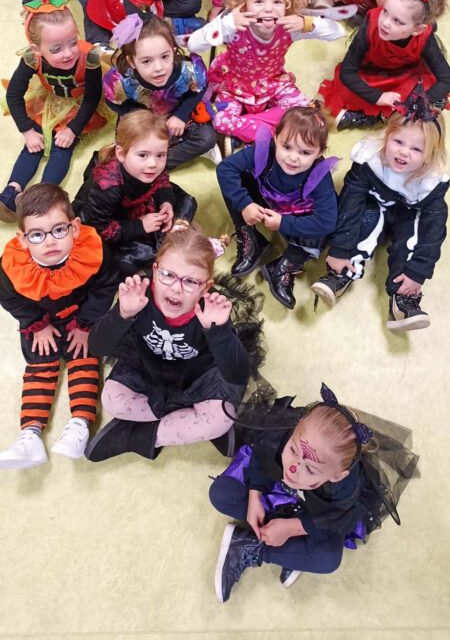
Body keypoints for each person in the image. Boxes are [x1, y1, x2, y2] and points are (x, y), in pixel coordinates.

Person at [211, 383, 418, 602]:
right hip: (276, 493)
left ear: (337, 475)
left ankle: (249, 547)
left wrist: (291, 528)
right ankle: (295, 553)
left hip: (314, 514)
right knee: (221, 494)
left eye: (310, 468)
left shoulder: (345, 487)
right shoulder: (283, 433)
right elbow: (262, 456)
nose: (293, 468)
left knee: (327, 559)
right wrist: (255, 496)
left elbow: (335, 517)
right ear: (296, 428)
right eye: (292, 450)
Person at [84, 226, 264, 463]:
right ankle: (184, 421)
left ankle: (139, 435)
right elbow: (96, 347)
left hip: (201, 377)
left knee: (222, 417)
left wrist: (218, 331)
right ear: (155, 271)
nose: (176, 288)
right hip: (150, 369)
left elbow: (238, 374)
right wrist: (122, 314)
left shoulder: (209, 310)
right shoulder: (140, 296)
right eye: (168, 275)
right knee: (112, 400)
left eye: (190, 281)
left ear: (205, 286)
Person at [0, 183, 119, 469]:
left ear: (75, 227)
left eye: (59, 230)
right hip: (43, 319)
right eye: (37, 235)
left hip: (83, 313)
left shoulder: (92, 249)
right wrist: (36, 324)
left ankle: (79, 423)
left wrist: (86, 323)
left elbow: (105, 287)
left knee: (85, 355)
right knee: (41, 361)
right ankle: (30, 433)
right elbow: (9, 298)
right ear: (23, 239)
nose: (50, 242)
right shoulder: (12, 264)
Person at [311, 88, 448, 331]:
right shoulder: (370, 159)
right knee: (363, 219)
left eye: (417, 149)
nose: (404, 152)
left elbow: (433, 229)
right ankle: (342, 271)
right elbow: (350, 203)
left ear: (431, 154)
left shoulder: (431, 181)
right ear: (386, 137)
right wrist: (340, 249)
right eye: (397, 141)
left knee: (412, 239)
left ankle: (402, 298)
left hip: (409, 212)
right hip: (376, 202)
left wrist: (419, 270)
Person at [187, 0, 345, 144]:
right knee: (221, 122)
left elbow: (338, 32)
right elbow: (193, 44)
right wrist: (226, 23)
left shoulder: (289, 26)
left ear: (287, 5)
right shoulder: (234, 26)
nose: (269, 8)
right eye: (259, 1)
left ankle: (252, 132)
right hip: (234, 85)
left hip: (273, 82)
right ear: (243, 6)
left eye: (277, 1)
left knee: (306, 112)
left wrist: (306, 22)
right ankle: (278, 132)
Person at [0, 0, 107, 222]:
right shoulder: (32, 58)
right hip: (50, 98)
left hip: (79, 103)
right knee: (34, 143)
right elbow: (15, 96)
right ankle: (12, 189)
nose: (68, 53)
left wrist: (73, 129)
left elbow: (91, 98)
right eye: (56, 49)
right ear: (37, 49)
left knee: (62, 145)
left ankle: (45, 194)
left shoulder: (89, 59)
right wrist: (27, 130)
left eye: (72, 42)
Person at [216, 107, 338, 309]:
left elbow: (326, 221)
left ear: (320, 153)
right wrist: (246, 204)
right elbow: (225, 168)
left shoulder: (319, 175)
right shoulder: (265, 150)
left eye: (305, 152)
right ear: (275, 139)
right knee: (236, 183)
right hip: (264, 204)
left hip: (296, 216)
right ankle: (250, 236)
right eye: (287, 147)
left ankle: (284, 265)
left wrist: (284, 222)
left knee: (327, 229)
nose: (293, 158)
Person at [319, 0, 450, 130]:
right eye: (385, 11)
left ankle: (385, 116)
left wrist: (416, 103)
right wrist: (377, 97)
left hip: (406, 73)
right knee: (344, 91)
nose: (385, 23)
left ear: (417, 30)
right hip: (373, 70)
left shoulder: (424, 37)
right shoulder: (371, 24)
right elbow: (347, 72)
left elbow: (446, 77)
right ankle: (380, 115)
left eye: (397, 21)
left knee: (428, 90)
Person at [73, 109, 197, 275]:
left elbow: (162, 179)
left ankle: (169, 234)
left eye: (161, 155)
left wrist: (165, 202)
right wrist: (140, 226)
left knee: (187, 201)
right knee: (124, 263)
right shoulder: (107, 187)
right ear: (121, 154)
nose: (153, 164)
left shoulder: (150, 169)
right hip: (112, 219)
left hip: (140, 196)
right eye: (143, 155)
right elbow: (100, 229)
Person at [102, 9, 220, 168]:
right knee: (125, 149)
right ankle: (147, 163)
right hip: (141, 120)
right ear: (131, 62)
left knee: (207, 137)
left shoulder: (189, 70)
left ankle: (156, 165)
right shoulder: (121, 80)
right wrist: (142, 118)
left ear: (173, 51)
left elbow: (199, 87)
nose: (159, 68)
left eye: (165, 57)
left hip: (175, 119)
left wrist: (180, 115)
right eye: (146, 61)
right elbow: (113, 102)